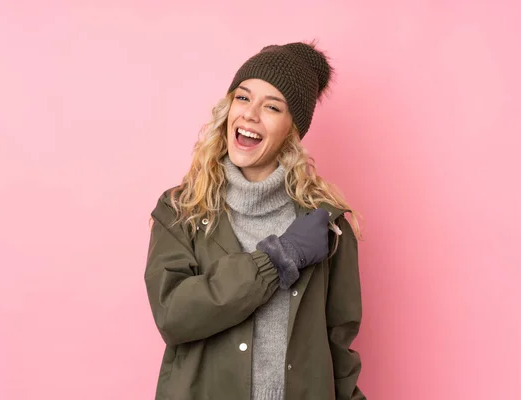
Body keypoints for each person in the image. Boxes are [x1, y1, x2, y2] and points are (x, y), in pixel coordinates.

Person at [144, 41, 366, 400]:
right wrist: (280, 259)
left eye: (273, 107)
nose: (249, 114)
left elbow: (338, 343)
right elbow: (174, 315)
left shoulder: (326, 223)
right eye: (243, 98)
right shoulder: (181, 210)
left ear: (292, 129)